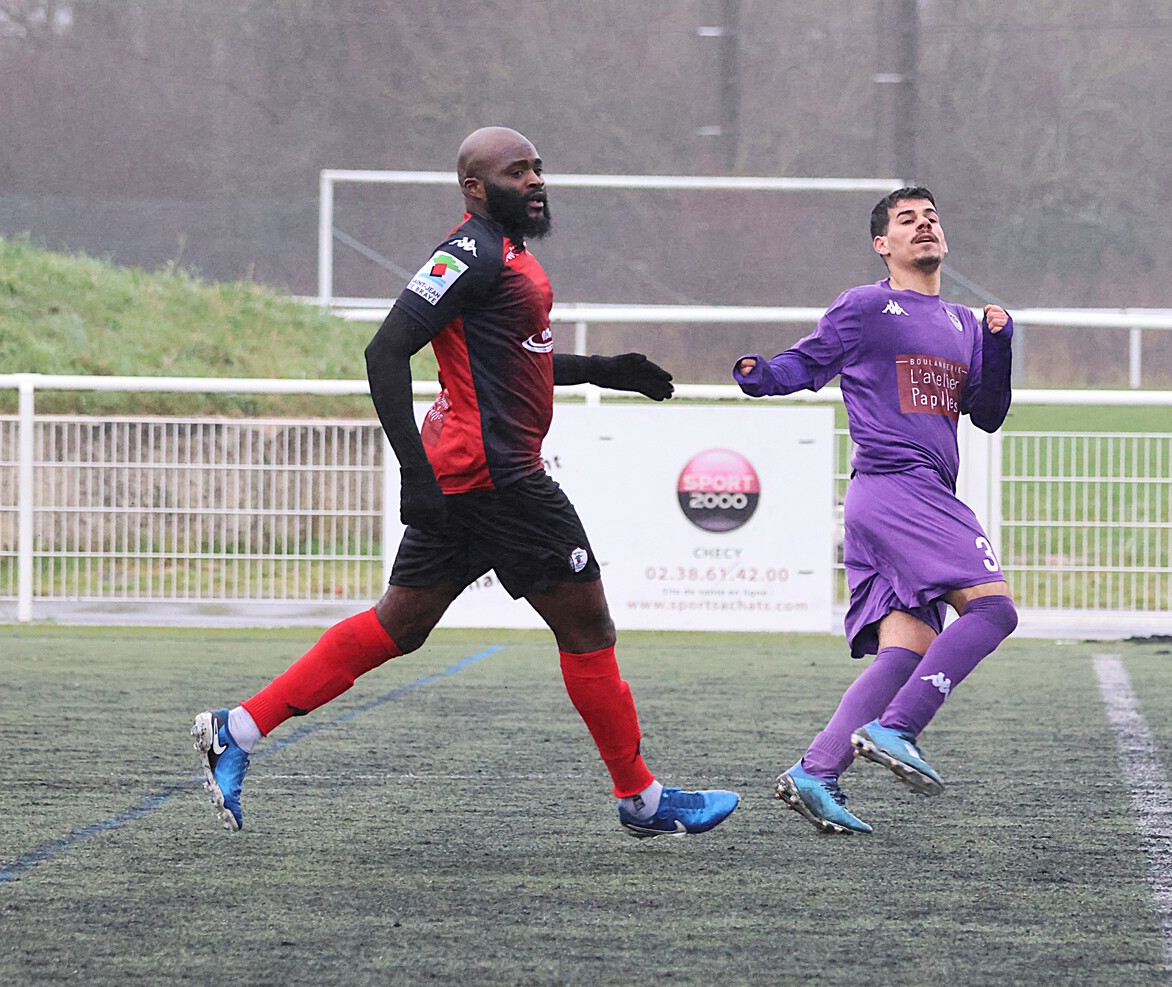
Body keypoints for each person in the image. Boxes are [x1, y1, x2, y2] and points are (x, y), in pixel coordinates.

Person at [192, 127, 739, 840]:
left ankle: (236, 729)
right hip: (499, 481)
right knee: (587, 628)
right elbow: (385, 352)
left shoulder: (506, 256)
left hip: (470, 477)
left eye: (538, 168)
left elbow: (513, 364)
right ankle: (641, 799)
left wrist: (604, 370)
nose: (535, 180)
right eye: (517, 172)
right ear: (475, 188)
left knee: (398, 625)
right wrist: (412, 473)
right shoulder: (469, 254)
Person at [734, 187, 1017, 834]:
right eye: (906, 220)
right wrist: (761, 375)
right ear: (882, 245)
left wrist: (1000, 344)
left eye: (931, 218)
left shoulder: (963, 323)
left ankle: (816, 771)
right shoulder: (867, 306)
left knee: (907, 651)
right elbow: (809, 361)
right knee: (993, 609)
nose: (924, 226)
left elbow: (988, 413)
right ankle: (899, 728)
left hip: (899, 496)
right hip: (897, 486)